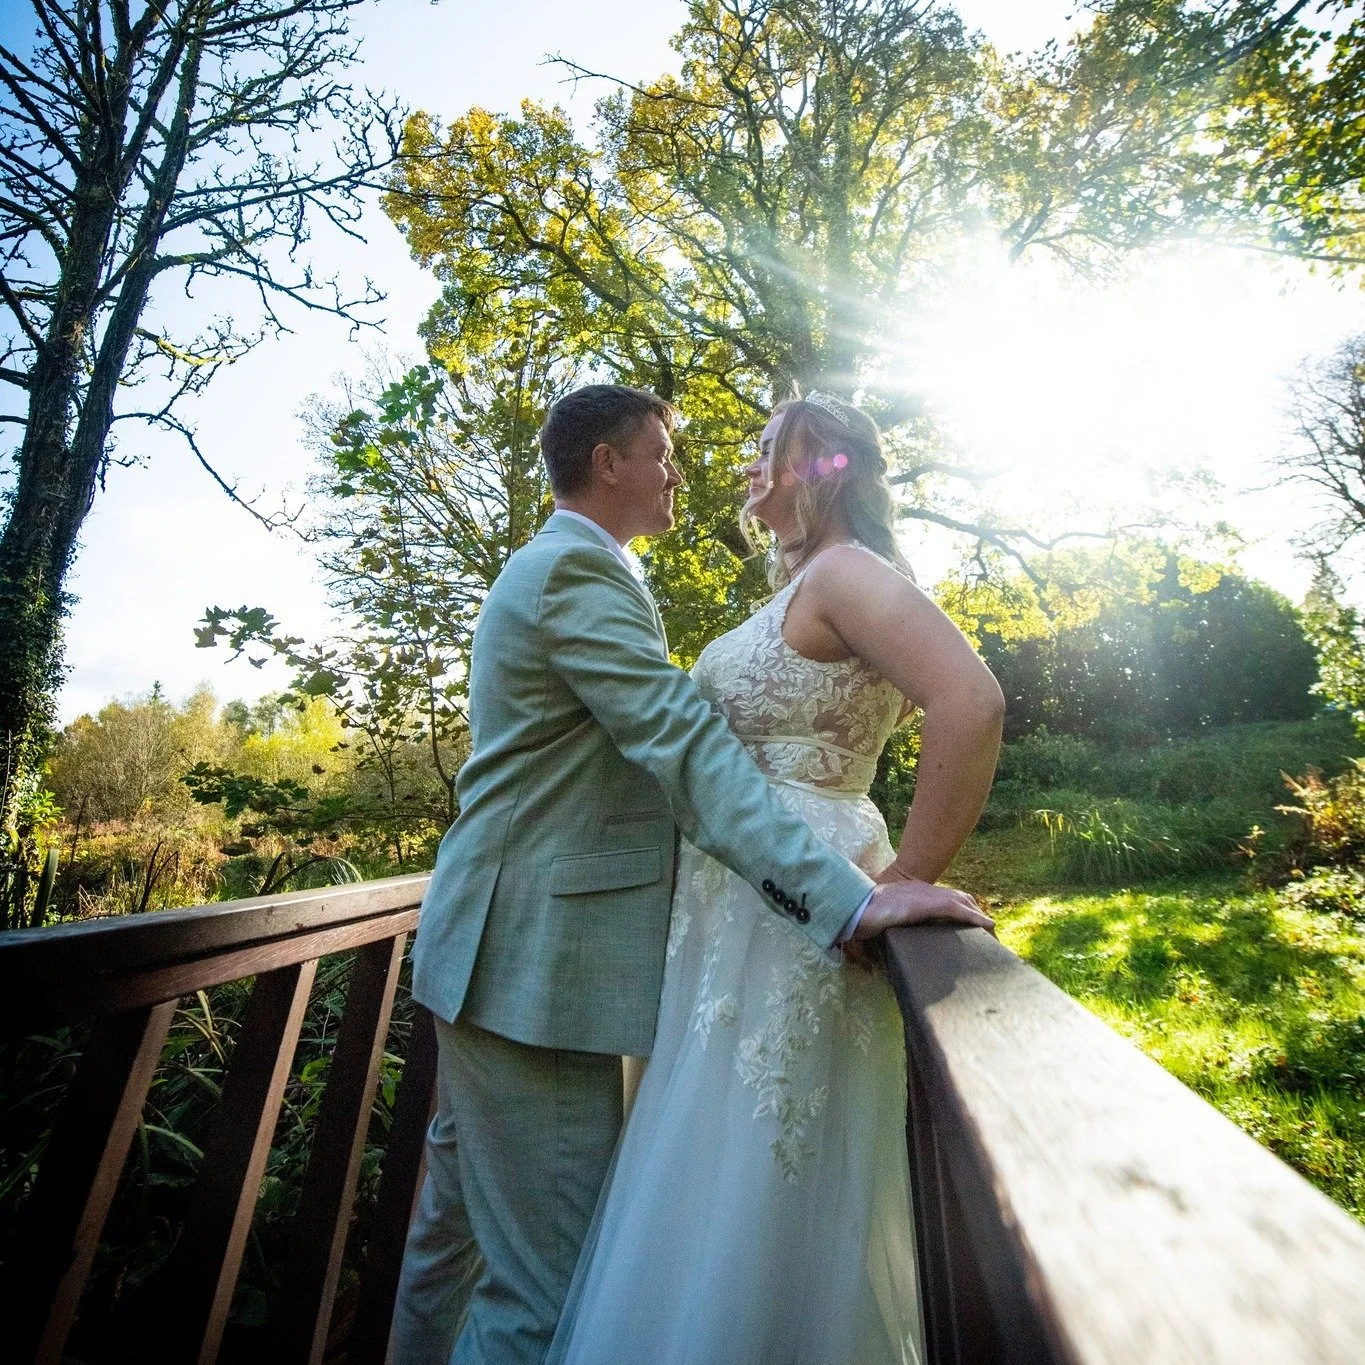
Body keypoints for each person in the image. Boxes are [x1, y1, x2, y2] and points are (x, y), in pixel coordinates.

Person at [390, 384, 994, 1365]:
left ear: (820, 470)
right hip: (540, 963)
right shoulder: (576, 571)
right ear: (606, 464)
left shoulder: (608, 569)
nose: (687, 470)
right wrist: (848, 901)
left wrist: (893, 880)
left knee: (449, 1247)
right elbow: (677, 741)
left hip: (546, 952)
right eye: (661, 453)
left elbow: (967, 699)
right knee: (539, 1293)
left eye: (768, 445)